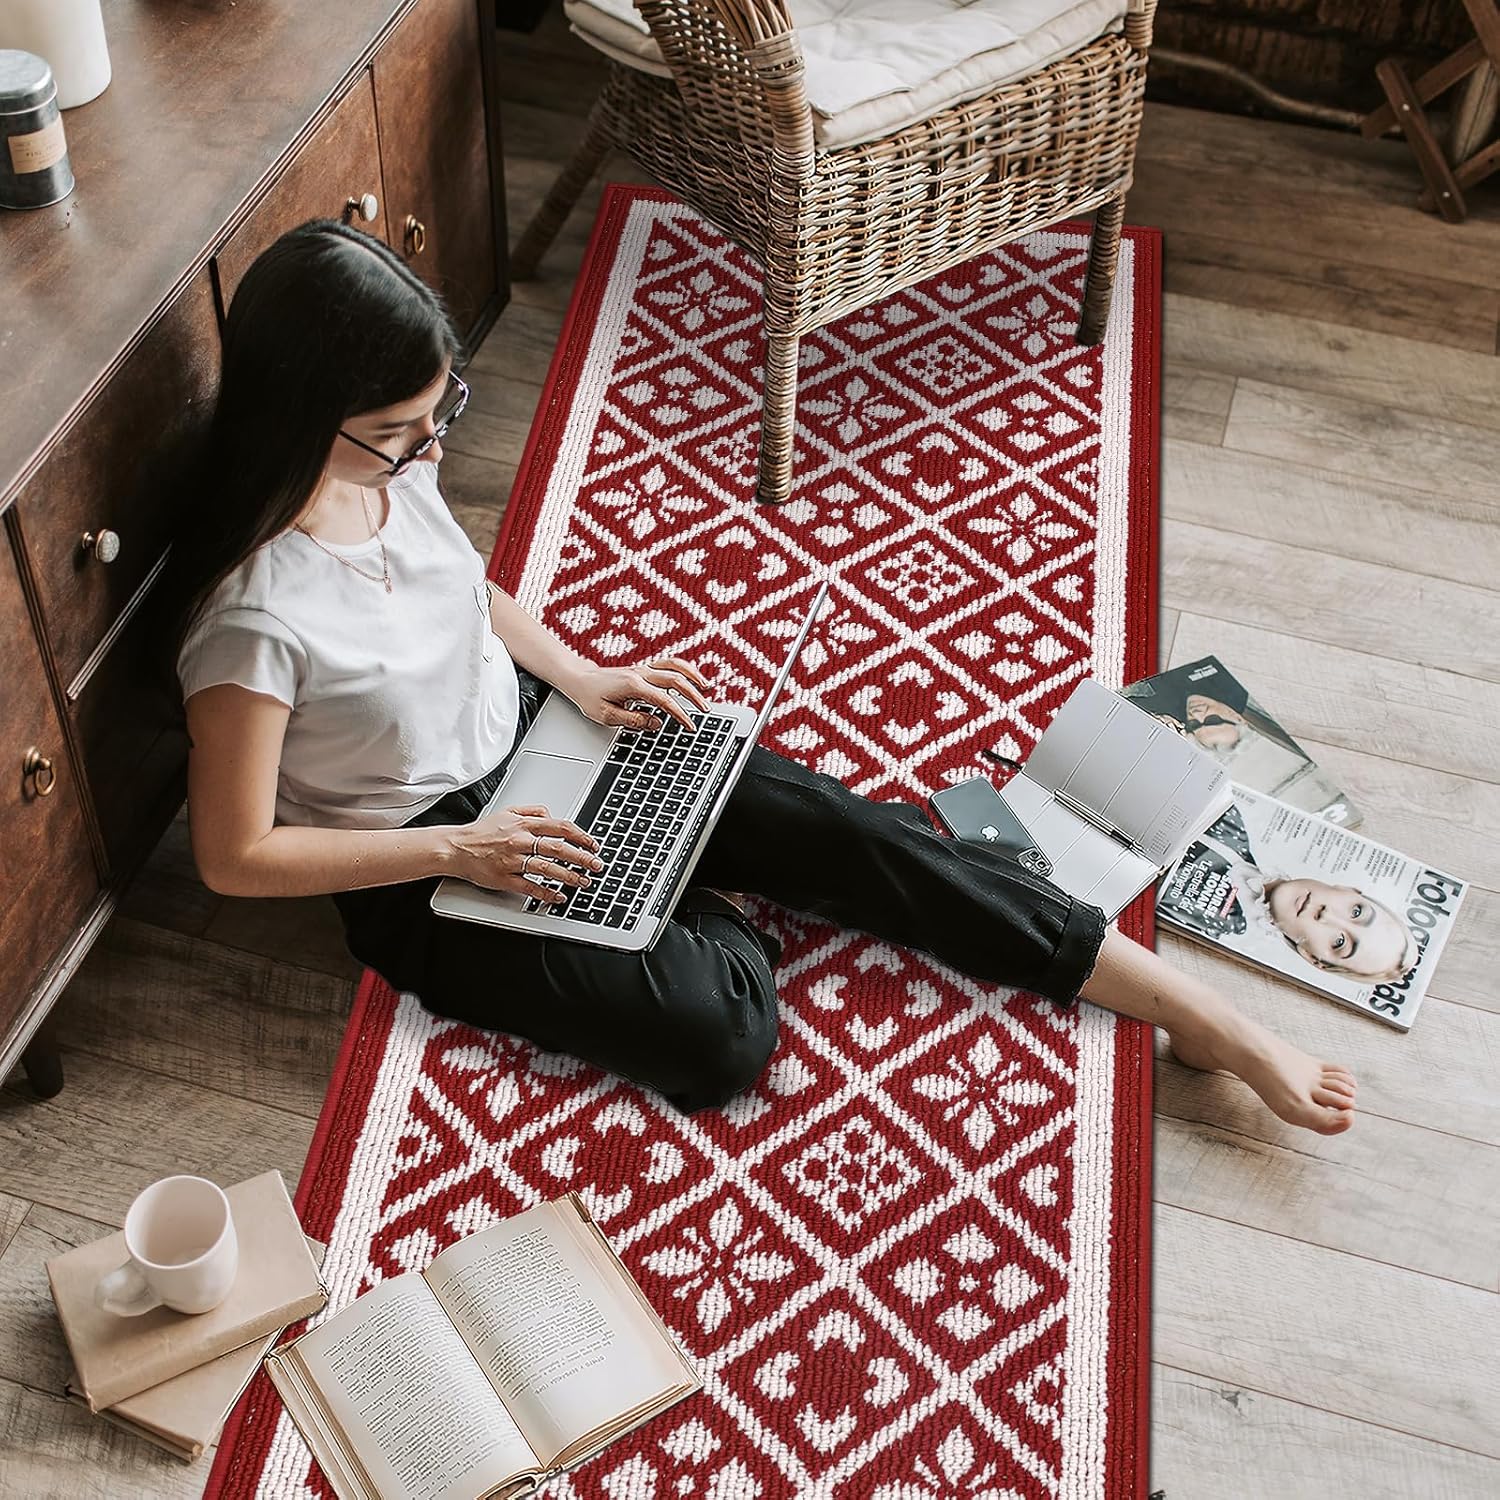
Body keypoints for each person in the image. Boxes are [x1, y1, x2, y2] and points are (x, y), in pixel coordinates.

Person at [163, 220, 1359, 1137]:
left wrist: (581, 673)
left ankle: (1207, 1020)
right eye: (405, 428)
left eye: (439, 416)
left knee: (877, 844)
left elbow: (461, 592)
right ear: (313, 410)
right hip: (425, 859)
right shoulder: (253, 623)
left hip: (536, 731)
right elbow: (234, 857)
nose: (434, 448)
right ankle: (677, 883)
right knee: (719, 1038)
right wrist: (457, 855)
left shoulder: (384, 471)